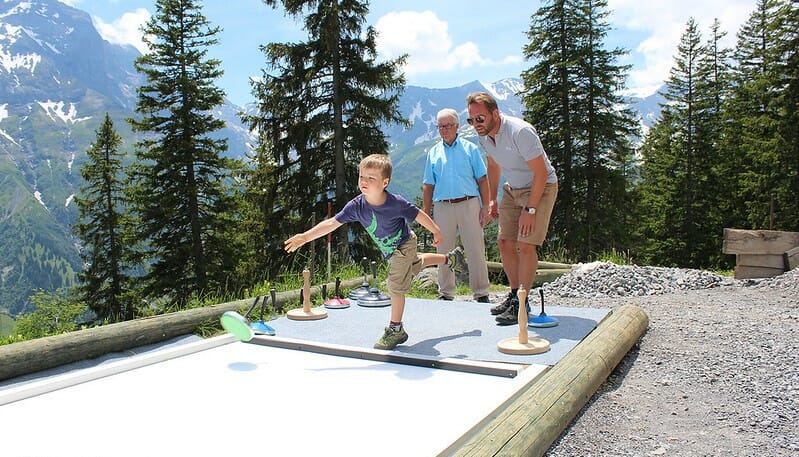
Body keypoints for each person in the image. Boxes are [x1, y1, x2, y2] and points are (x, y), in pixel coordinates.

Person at [284, 153, 466, 350]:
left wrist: (436, 231)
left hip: (402, 245)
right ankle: (451, 259)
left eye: (371, 178)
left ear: (385, 182)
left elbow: (418, 214)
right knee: (416, 264)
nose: (365, 182)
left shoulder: (395, 203)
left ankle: (396, 329)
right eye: (362, 177)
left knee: (395, 286)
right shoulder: (356, 206)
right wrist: (305, 236)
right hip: (396, 249)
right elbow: (331, 223)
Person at [466, 92, 558, 325]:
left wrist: (531, 210)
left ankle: (523, 303)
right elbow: (494, 164)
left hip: (540, 187)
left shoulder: (520, 132)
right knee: (505, 242)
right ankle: (514, 294)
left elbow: (540, 173)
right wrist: (493, 199)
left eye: (480, 118)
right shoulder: (485, 135)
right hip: (512, 188)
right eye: (471, 119)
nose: (476, 124)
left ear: (495, 114)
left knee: (526, 244)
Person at [422, 108, 491, 303]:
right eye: (440, 126)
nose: (443, 129)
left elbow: (482, 179)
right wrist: (426, 213)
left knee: (475, 248)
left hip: (469, 203)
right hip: (443, 206)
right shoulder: (433, 153)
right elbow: (428, 185)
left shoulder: (470, 149)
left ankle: (481, 292)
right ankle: (446, 292)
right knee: (443, 250)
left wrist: (486, 206)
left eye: (447, 125)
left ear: (457, 126)